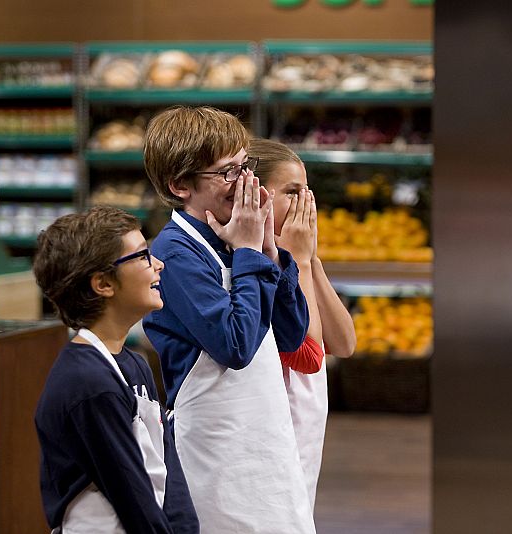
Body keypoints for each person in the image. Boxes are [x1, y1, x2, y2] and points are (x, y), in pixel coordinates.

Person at [141, 106, 315, 533]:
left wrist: (272, 254)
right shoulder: (176, 254)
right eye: (226, 173)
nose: (246, 183)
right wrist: (251, 253)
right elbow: (235, 346)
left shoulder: (237, 235)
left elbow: (291, 336)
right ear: (180, 185)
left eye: (244, 165)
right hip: (217, 449)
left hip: (266, 438)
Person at [33, 206, 199, 533]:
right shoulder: (88, 383)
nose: (158, 264)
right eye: (142, 256)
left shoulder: (134, 363)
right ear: (103, 284)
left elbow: (167, 466)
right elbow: (130, 492)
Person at [248, 138, 356, 510]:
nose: (305, 204)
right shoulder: (252, 264)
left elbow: (344, 343)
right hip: (276, 426)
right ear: (259, 194)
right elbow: (307, 354)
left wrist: (309, 262)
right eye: (293, 192)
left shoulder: (302, 260)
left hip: (307, 428)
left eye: (307, 191)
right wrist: (299, 261)